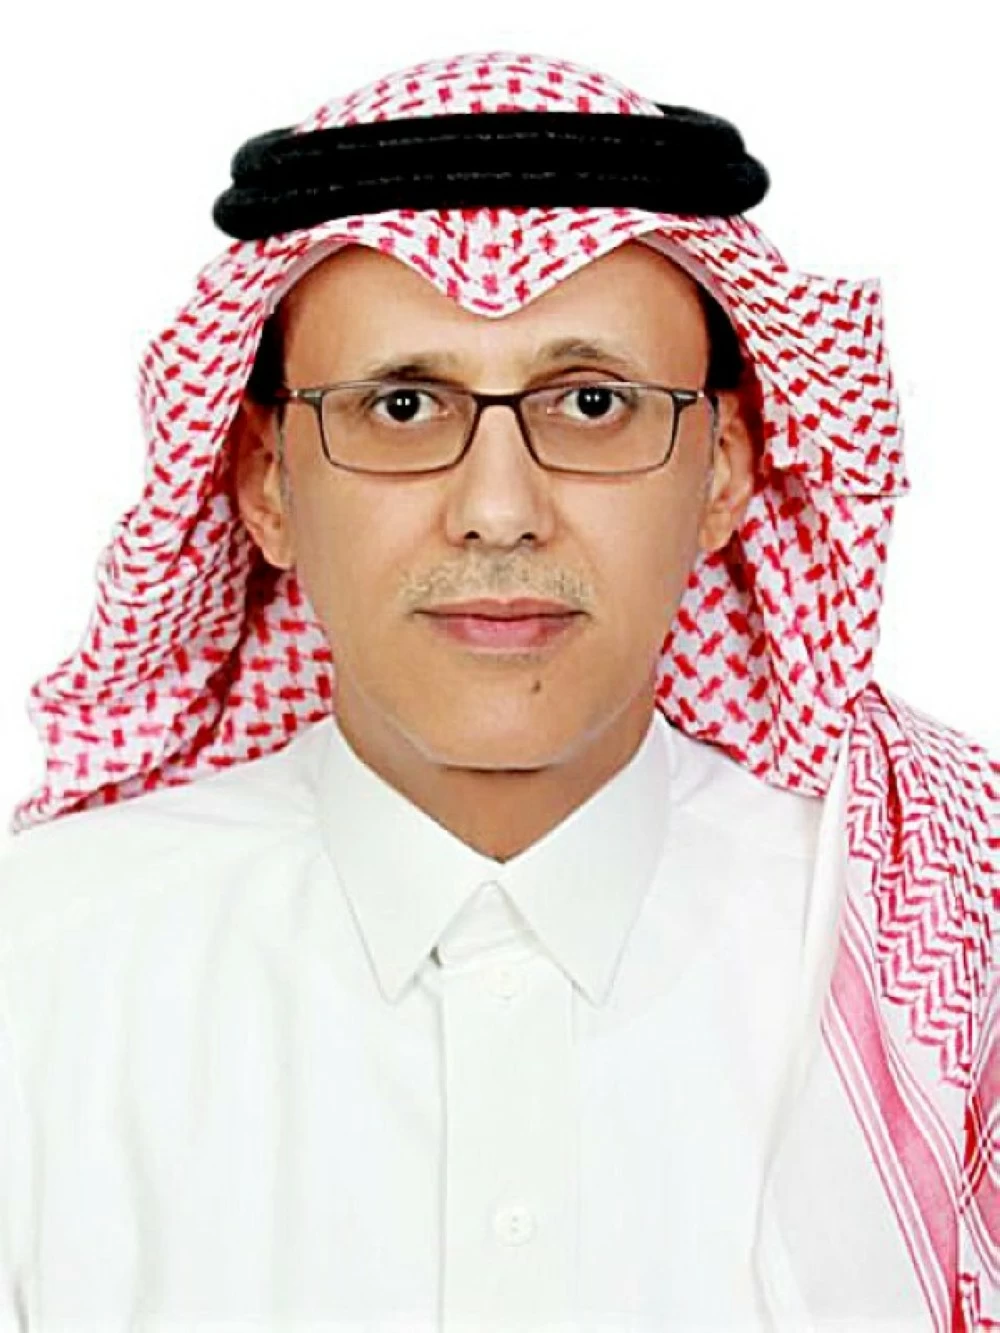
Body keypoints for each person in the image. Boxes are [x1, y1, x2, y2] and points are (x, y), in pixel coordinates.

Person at [0, 49, 996, 1332]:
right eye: (400, 405)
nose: (498, 509)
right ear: (265, 482)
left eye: (593, 401)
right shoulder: (40, 976)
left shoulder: (937, 948)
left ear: (725, 471)